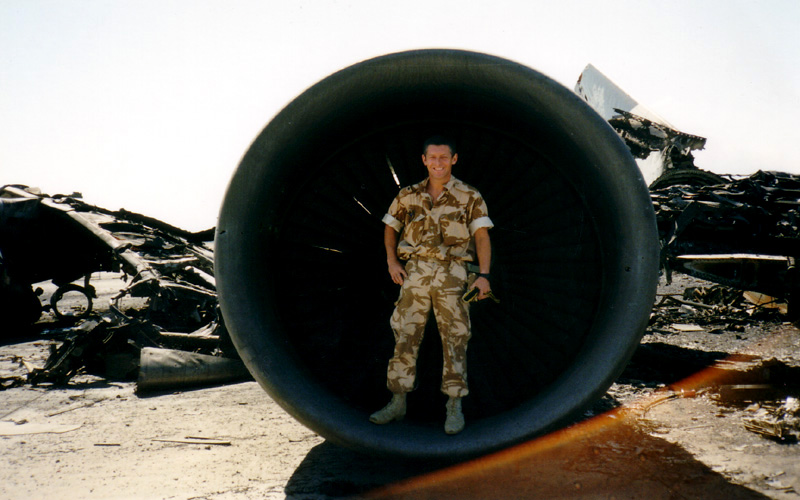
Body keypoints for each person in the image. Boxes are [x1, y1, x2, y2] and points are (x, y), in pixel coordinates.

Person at [369, 135, 493, 435]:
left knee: (455, 337)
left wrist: (484, 275)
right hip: (416, 272)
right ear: (424, 160)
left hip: (453, 273)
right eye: (432, 158)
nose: (438, 163)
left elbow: (481, 237)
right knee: (405, 334)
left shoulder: (469, 195)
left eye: (443, 157)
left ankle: (453, 406)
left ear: (454, 159)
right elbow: (390, 227)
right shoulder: (408, 195)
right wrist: (391, 262)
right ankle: (397, 401)